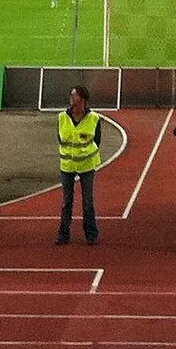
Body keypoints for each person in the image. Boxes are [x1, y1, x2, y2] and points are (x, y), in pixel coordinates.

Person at [56, 85, 102, 245]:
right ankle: (63, 234)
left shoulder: (93, 118)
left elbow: (97, 141)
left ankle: (91, 235)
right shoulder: (62, 117)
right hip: (67, 165)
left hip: (87, 165)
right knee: (66, 202)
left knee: (88, 202)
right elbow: (60, 138)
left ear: (82, 99)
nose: (71, 98)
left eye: (74, 95)